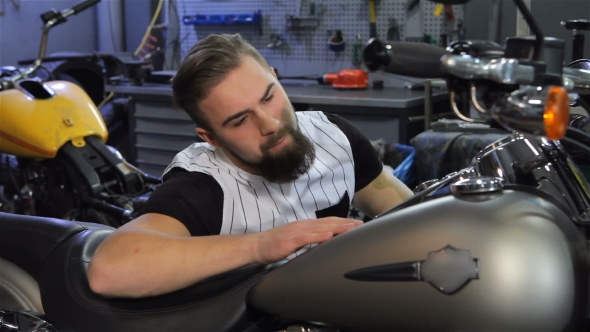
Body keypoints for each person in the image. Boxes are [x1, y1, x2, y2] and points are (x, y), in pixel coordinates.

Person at [87, 33, 413, 298]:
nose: (269, 123)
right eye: (241, 119)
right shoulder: (202, 186)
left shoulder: (334, 135)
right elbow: (109, 270)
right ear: (210, 137)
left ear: (275, 77)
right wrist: (261, 246)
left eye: (269, 97)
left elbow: (408, 216)